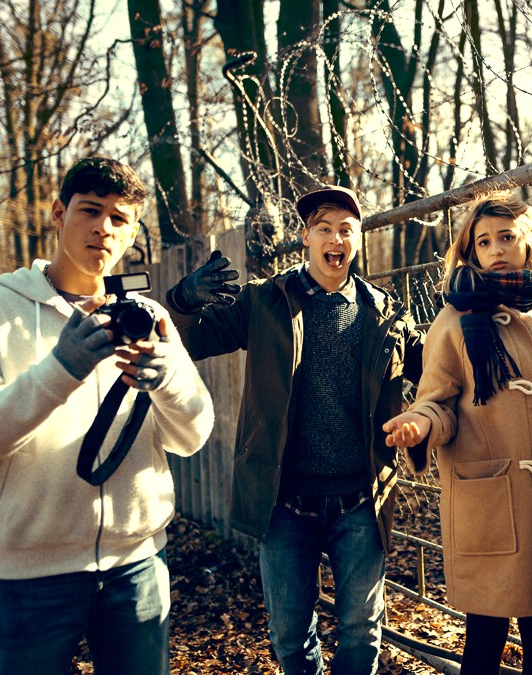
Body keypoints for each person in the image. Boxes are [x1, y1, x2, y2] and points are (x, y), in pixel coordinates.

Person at [0, 156, 215, 675]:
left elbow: (193, 436)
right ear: (59, 214)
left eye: (119, 219)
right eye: (89, 210)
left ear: (130, 236)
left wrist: (166, 379)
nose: (103, 227)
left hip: (138, 567)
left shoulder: (147, 319)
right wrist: (60, 369)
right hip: (26, 577)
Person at [164, 185, 423, 675]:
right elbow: (186, 342)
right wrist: (181, 301)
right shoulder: (265, 302)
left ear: (358, 240)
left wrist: (468, 324)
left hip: (361, 502)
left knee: (361, 634)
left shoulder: (385, 312)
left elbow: (435, 370)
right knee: (289, 635)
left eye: (346, 230)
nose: (335, 238)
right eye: (324, 228)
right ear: (306, 237)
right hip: (284, 502)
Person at [383, 195, 532, 675]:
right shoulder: (455, 321)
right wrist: (421, 423)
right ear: (470, 252)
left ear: (530, 242)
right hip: (492, 499)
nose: (494, 249)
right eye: (482, 241)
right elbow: (437, 399)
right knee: (485, 635)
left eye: (506, 237)